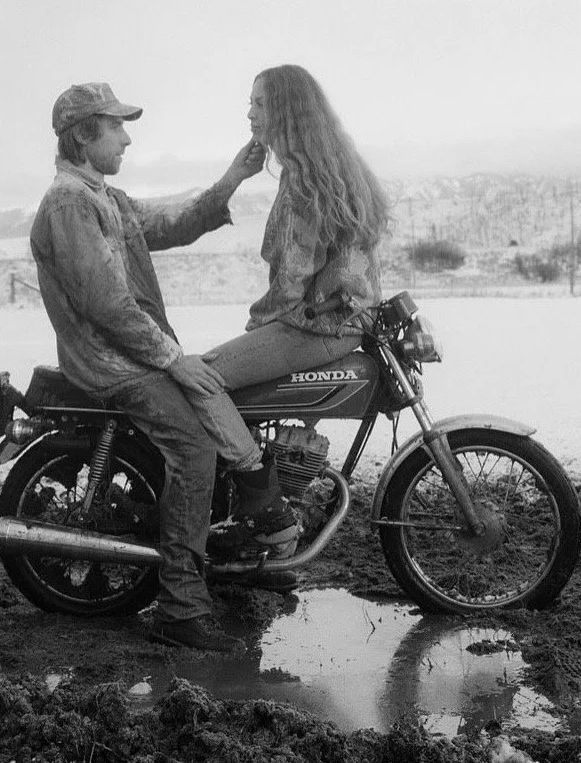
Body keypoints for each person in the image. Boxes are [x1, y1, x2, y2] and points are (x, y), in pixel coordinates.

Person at [29, 82, 297, 653]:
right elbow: (106, 306)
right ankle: (180, 608)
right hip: (112, 364)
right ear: (83, 135)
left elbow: (173, 223)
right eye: (115, 127)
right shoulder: (69, 204)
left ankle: (237, 554)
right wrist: (174, 359)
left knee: (223, 411)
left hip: (136, 352)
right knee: (196, 447)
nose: (126, 139)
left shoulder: (105, 197)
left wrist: (232, 178)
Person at [203, 64, 389, 402]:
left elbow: (292, 277)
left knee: (203, 379)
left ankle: (237, 442)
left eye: (260, 104)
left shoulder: (304, 181)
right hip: (347, 319)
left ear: (286, 111)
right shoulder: (332, 167)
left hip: (319, 326)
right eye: (250, 103)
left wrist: (257, 326)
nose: (250, 114)